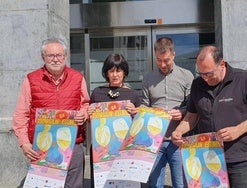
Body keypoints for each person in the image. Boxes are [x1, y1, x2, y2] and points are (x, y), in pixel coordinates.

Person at [171, 45, 247, 188]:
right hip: (208, 157)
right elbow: (192, 116)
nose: (205, 78)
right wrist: (178, 131)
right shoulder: (197, 84)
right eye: (201, 73)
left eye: (209, 74)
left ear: (222, 64)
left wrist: (238, 130)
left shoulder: (243, 79)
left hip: (239, 160)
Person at [12, 38, 90, 188]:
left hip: (74, 146)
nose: (55, 59)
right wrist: (24, 143)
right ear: (43, 57)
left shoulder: (77, 78)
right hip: (43, 147)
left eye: (59, 55)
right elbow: (21, 115)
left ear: (66, 56)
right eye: (50, 56)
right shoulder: (31, 80)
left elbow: (85, 104)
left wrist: (83, 113)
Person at [141, 37, 194, 188]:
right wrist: (147, 111)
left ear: (174, 55)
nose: (162, 64)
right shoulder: (148, 78)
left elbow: (192, 106)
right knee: (155, 184)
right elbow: (145, 105)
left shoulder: (187, 76)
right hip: (154, 141)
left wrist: (182, 112)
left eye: (166, 60)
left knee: (180, 183)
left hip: (179, 139)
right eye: (158, 60)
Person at [87, 53, 141, 187]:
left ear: (124, 72)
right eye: (111, 71)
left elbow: (139, 124)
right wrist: (89, 114)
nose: (115, 74)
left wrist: (135, 112)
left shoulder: (132, 94)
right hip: (101, 149)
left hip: (124, 148)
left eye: (119, 70)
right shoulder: (97, 92)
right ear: (106, 73)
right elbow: (91, 122)